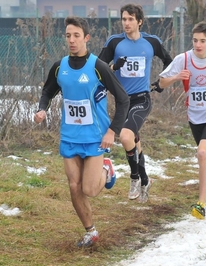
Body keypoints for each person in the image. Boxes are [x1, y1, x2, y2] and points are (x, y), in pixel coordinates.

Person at [33, 16, 129, 247]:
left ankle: (106, 171)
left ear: (86, 38)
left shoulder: (98, 67)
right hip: (69, 136)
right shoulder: (60, 66)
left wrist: (112, 132)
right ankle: (90, 231)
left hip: (95, 137)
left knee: (90, 189)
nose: (72, 40)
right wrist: (42, 109)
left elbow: (124, 100)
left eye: (76, 36)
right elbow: (48, 91)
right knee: (74, 186)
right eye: (68, 36)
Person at [157, 21, 206, 219]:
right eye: (194, 40)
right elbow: (161, 82)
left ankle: (201, 203)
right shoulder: (183, 59)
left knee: (201, 152)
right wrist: (176, 77)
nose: (198, 45)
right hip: (194, 115)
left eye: (202, 41)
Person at [98, 3, 172, 203]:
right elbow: (98, 68)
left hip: (142, 98)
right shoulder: (114, 42)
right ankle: (146, 180)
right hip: (122, 100)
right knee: (133, 142)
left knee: (125, 136)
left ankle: (134, 178)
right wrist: (113, 66)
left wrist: (161, 82)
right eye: (123, 19)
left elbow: (169, 61)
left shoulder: (151, 41)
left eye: (130, 19)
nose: (126, 23)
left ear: (139, 21)